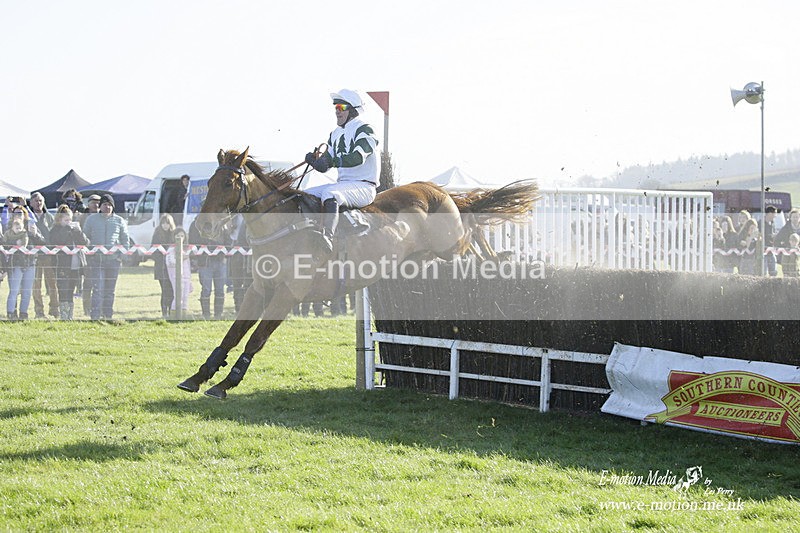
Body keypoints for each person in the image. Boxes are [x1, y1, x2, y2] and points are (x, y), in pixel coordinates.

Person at [303, 89, 380, 252]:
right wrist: (316, 162)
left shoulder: (365, 129)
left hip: (364, 186)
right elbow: (327, 162)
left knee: (330, 194)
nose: (337, 111)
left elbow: (358, 157)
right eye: (335, 107)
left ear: (353, 110)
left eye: (341, 107)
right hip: (343, 185)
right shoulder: (335, 134)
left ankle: (327, 237)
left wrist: (331, 162)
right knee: (304, 195)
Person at [82, 194, 130, 320]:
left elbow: (125, 239)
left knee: (110, 290)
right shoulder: (91, 219)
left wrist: (121, 256)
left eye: (109, 205)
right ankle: (95, 316)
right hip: (96, 260)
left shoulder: (119, 221)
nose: (107, 207)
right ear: (100, 206)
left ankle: (107, 315)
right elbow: (85, 237)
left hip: (113, 261)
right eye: (104, 204)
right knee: (97, 289)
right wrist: (89, 254)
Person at [3, 205, 45, 320]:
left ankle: (23, 313)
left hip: (30, 262)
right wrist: (14, 242)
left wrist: (35, 234)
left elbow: (43, 242)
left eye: (21, 213)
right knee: (14, 290)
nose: (18, 215)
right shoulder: (9, 228)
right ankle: (11, 313)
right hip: (15, 263)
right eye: (16, 213)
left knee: (27, 291)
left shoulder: (31, 226)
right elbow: (4, 244)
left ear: (25, 214)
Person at [49, 205, 88, 320]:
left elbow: (85, 242)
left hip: (75, 266)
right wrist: (66, 228)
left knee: (71, 291)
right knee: (63, 291)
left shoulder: (74, 229)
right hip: (62, 266)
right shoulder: (55, 230)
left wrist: (79, 231)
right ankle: (64, 316)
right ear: (59, 219)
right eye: (66, 220)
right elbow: (57, 240)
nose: (69, 222)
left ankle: (69, 316)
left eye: (70, 219)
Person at [28, 191, 60, 318]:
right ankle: (39, 312)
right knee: (36, 285)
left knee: (52, 283)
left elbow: (54, 234)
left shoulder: (49, 217)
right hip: (34, 255)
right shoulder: (28, 217)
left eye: (40, 200)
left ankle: (54, 309)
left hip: (48, 255)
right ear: (31, 203)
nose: (38, 203)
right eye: (36, 201)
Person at [189, 218, 226, 320]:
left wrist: (224, 253)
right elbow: (192, 242)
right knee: (206, 289)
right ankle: (206, 315)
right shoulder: (196, 224)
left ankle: (218, 315)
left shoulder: (220, 223)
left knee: (220, 289)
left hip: (220, 261)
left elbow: (226, 239)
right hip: (204, 262)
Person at [79, 194, 102, 312]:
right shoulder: (83, 217)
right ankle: (87, 307)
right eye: (93, 202)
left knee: (100, 281)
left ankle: (98, 307)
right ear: (88, 204)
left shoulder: (103, 217)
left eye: (98, 203)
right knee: (88, 281)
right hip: (87, 253)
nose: (96, 205)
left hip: (101, 253)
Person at [152, 214, 176, 318]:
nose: (165, 225)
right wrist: (162, 258)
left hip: (172, 267)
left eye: (167, 223)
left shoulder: (174, 234)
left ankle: (171, 310)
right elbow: (153, 250)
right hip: (161, 267)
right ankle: (164, 312)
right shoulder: (157, 234)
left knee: (172, 290)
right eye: (163, 223)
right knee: (165, 290)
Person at [166, 228, 193, 316]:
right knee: (178, 295)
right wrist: (180, 258)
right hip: (176, 276)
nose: (180, 237)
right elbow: (170, 262)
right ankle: (174, 314)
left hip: (186, 276)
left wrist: (190, 278)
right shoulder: (171, 249)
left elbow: (188, 264)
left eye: (182, 236)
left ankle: (184, 314)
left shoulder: (186, 249)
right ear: (174, 236)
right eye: (178, 236)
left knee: (185, 296)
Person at [763, 206, 778, 277]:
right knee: (764, 272)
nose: (775, 215)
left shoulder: (772, 223)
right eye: (774, 213)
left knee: (773, 271)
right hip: (763, 251)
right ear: (769, 213)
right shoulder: (761, 223)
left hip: (771, 250)